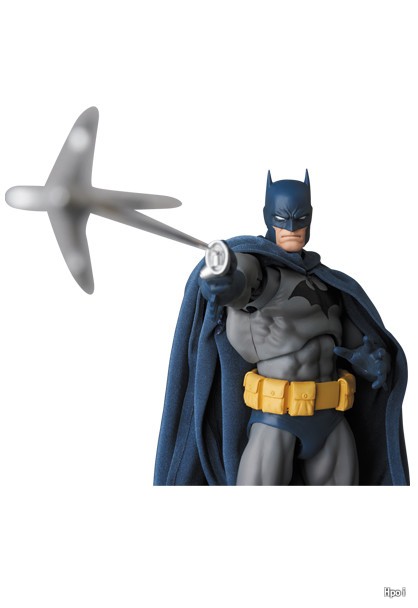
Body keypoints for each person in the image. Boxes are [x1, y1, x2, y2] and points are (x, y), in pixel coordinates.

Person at [154, 171, 408, 486]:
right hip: (275, 421)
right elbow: (243, 281)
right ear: (267, 217)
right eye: (281, 219)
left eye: (299, 219)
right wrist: (223, 281)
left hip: (331, 419)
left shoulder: (328, 283)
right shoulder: (261, 270)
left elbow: (356, 342)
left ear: (310, 218)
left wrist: (372, 362)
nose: (291, 228)